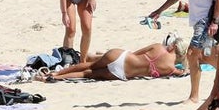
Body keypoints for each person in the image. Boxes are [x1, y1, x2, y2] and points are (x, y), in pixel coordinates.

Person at [46, 39, 182, 81]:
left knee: (90, 65)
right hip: (123, 73)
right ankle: (57, 78)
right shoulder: (170, 68)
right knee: (87, 74)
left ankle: (57, 73)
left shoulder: (158, 47)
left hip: (121, 57)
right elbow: (182, 72)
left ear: (174, 46)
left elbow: (136, 53)